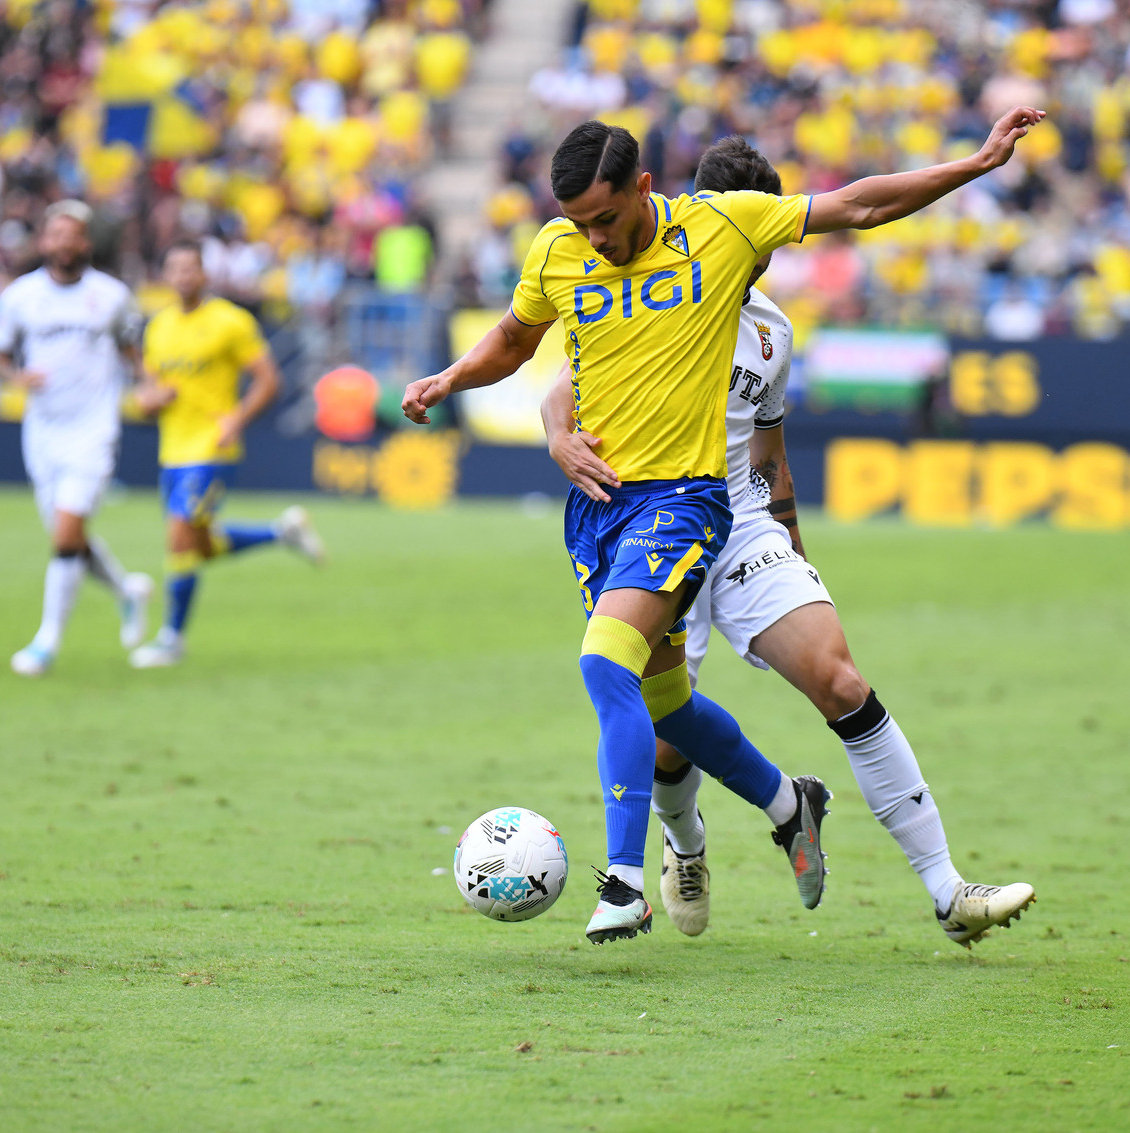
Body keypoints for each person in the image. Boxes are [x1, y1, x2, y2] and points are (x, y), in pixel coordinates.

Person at [403, 106, 1045, 945]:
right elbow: (544, 366)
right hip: (620, 510)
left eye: (604, 219)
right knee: (665, 721)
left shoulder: (758, 303)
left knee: (828, 680)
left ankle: (943, 889)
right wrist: (498, 407)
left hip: (721, 514)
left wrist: (977, 163)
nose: (594, 238)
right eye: (581, 223)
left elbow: (857, 214)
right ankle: (732, 826)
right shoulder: (579, 257)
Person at [129, 241, 325, 668]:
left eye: (190, 268)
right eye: (175, 268)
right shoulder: (158, 327)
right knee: (199, 546)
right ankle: (281, 533)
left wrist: (237, 418)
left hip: (212, 447)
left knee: (180, 535)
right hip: (172, 449)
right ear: (165, 276)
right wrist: (149, 399)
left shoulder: (230, 322)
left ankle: (171, 638)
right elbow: (149, 389)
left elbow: (269, 380)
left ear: (204, 274)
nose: (183, 276)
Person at [0, 200, 153, 677]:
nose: (64, 243)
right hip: (43, 431)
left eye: (73, 235)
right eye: (55, 234)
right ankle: (126, 590)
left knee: (65, 535)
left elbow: (132, 351)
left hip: (93, 430)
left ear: (87, 242)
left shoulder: (112, 296)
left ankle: (47, 641)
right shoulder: (21, 296)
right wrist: (17, 377)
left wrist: (149, 385)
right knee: (70, 536)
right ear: (44, 241)